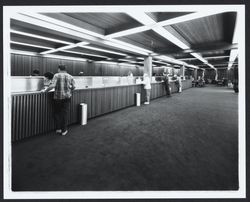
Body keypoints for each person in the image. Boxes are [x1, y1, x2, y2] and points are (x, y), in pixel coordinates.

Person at [43, 64, 75, 136]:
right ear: (65, 69)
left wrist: (46, 91)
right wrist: (69, 90)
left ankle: (58, 129)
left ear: (59, 69)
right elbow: (74, 87)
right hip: (67, 97)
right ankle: (64, 130)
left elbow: (53, 85)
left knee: (57, 112)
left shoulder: (56, 75)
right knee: (64, 113)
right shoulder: (70, 76)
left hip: (58, 97)